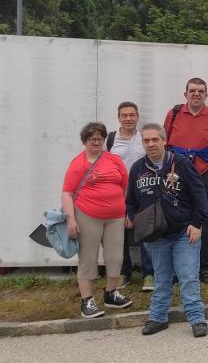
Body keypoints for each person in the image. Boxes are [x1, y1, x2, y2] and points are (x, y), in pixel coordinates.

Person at [126, 123, 208, 337]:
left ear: (164, 141)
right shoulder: (137, 169)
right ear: (142, 143)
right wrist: (139, 222)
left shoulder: (181, 164)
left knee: (188, 276)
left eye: (155, 139)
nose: (151, 144)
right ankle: (158, 318)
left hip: (184, 232)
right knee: (161, 278)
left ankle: (197, 319)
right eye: (146, 140)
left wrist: (197, 223)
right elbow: (131, 203)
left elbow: (200, 195)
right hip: (155, 237)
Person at [62, 122, 133, 318]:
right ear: (84, 141)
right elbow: (67, 193)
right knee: (88, 258)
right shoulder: (78, 163)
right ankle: (87, 300)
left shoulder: (114, 160)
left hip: (116, 217)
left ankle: (111, 293)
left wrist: (128, 211)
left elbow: (125, 187)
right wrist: (71, 220)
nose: (96, 142)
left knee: (115, 257)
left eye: (100, 138)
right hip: (87, 215)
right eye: (92, 138)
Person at [164, 78, 208, 283]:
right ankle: (174, 269)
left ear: (206, 95)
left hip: (203, 173)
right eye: (192, 91)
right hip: (176, 174)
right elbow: (165, 142)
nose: (196, 94)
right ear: (186, 94)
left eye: (201, 91)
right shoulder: (173, 114)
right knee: (174, 217)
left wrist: (206, 161)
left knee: (203, 218)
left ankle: (204, 267)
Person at [108, 101, 154, 291]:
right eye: (124, 115)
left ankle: (149, 274)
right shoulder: (110, 140)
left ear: (137, 116)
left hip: (142, 192)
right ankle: (124, 273)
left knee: (146, 232)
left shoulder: (143, 138)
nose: (128, 118)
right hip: (116, 193)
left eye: (132, 115)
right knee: (119, 236)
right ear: (118, 117)